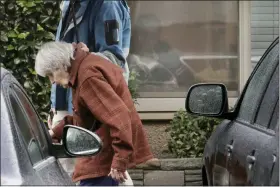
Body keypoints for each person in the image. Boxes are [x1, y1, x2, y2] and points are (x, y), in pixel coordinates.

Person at [35, 41, 154, 186]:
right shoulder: (84, 68)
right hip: (102, 151)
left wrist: (119, 161)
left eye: (50, 74)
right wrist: (55, 132)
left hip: (103, 155)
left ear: (60, 65)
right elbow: (87, 119)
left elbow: (119, 116)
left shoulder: (87, 77)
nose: (52, 81)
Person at [49, 0, 132, 183]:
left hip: (93, 107)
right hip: (72, 105)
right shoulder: (69, 4)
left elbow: (114, 59)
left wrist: (86, 58)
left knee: (101, 173)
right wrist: (56, 107)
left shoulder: (108, 5)